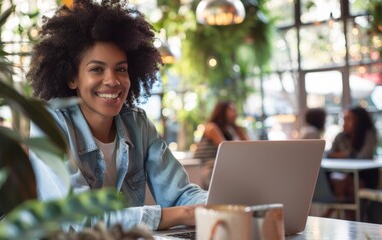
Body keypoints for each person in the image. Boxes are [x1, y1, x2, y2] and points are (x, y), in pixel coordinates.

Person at [27, 0, 207, 231]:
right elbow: (79, 218)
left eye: (121, 69)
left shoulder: (137, 123)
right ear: (72, 78)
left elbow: (180, 194)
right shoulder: (49, 124)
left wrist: (219, 204)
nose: (113, 80)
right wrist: (181, 215)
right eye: (97, 69)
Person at [326, 106, 379, 209]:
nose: (344, 123)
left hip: (365, 175)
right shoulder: (341, 136)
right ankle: (349, 218)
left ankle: (331, 212)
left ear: (358, 121)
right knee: (343, 182)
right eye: (344, 119)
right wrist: (345, 154)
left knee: (346, 184)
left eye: (349, 119)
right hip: (346, 174)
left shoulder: (369, 134)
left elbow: (364, 156)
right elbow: (329, 154)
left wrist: (344, 154)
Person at [193, 101, 249, 189]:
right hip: (208, 166)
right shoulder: (211, 127)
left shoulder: (231, 129)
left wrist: (240, 131)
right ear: (222, 112)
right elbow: (226, 150)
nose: (235, 113)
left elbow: (249, 147)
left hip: (220, 165)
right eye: (231, 110)